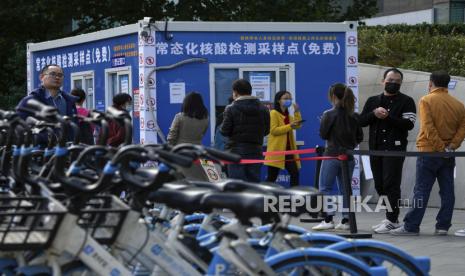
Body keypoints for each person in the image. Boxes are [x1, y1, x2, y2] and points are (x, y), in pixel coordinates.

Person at [390, 71, 465, 236]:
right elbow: (462, 130)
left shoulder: (426, 100)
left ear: (431, 83)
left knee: (421, 190)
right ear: (447, 84)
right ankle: (443, 226)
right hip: (449, 154)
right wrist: (450, 147)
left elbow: (428, 127)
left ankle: (411, 226)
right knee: (447, 191)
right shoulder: (459, 105)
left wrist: (439, 148)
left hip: (428, 151)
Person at [359, 68, 416, 234]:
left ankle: (392, 219)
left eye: (397, 81)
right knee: (379, 184)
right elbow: (362, 121)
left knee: (391, 183)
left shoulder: (407, 101)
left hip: (395, 148)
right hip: (375, 148)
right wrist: (374, 114)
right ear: (383, 81)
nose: (393, 83)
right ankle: (391, 217)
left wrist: (388, 117)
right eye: (390, 80)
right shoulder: (372, 100)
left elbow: (409, 124)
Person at [312, 83, 363, 231]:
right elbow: (360, 136)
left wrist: (322, 122)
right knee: (346, 189)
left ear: (333, 96)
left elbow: (323, 134)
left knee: (325, 187)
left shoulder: (328, 114)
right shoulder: (354, 115)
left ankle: (328, 219)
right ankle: (346, 220)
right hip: (348, 157)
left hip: (331, 155)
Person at [220, 79, 270, 183]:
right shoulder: (263, 108)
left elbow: (224, 131)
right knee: (254, 183)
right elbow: (266, 131)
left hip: (235, 152)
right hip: (256, 150)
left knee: (237, 185)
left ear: (235, 92)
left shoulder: (231, 108)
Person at [16, 64, 77, 145]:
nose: (57, 77)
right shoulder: (30, 101)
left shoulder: (69, 101)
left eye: (60, 75)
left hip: (66, 149)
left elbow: (74, 126)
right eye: (52, 74)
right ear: (41, 77)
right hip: (40, 151)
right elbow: (18, 126)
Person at [265, 91, 302, 187]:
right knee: (271, 178)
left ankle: (295, 198)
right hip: (277, 151)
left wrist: (297, 112)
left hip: (288, 151)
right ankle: (264, 197)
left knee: (295, 173)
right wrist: (290, 126)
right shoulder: (273, 113)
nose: (288, 100)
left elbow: (297, 126)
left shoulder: (288, 116)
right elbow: (274, 130)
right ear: (278, 100)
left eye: (290, 98)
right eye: (285, 98)